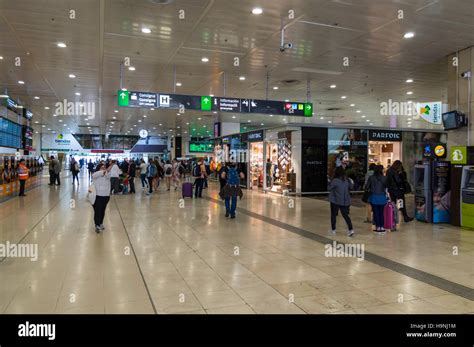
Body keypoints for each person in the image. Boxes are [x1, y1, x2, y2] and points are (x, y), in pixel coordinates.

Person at [329, 166, 354, 237]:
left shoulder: (335, 180)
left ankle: (333, 230)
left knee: (333, 215)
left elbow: (329, 188)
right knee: (345, 215)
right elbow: (351, 187)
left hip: (335, 200)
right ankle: (351, 229)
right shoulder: (347, 180)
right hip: (345, 200)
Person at [366, 165, 388, 233]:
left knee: (376, 213)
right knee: (381, 213)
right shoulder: (385, 178)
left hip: (374, 197)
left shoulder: (371, 178)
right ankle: (382, 227)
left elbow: (367, 187)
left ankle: (377, 227)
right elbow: (387, 187)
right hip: (382, 197)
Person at [91, 163, 111, 233]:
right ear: (98, 168)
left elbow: (109, 176)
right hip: (97, 196)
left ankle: (101, 223)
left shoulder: (107, 175)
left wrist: (106, 171)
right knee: (97, 211)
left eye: (104, 167)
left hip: (106, 196)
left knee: (102, 211)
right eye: (102, 167)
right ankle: (97, 224)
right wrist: (103, 171)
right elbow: (94, 175)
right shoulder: (96, 174)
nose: (103, 168)